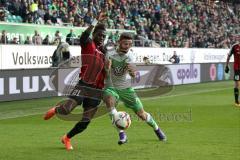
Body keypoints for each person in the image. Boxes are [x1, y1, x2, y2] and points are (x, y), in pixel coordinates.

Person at [43, 12, 108, 150]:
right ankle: (56, 109)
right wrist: (95, 20)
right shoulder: (88, 45)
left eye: (104, 36)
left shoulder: (104, 53)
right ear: (94, 34)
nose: (102, 38)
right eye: (100, 35)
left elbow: (106, 73)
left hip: (97, 91)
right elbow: (84, 36)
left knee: (85, 122)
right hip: (83, 85)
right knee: (66, 110)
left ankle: (66, 138)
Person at [103, 32, 167, 145]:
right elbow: (105, 70)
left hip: (125, 87)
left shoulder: (130, 56)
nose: (127, 46)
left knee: (141, 114)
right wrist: (107, 68)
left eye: (129, 44)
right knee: (109, 102)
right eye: (125, 43)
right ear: (119, 42)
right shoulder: (110, 53)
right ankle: (122, 135)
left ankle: (157, 129)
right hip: (111, 86)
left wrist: (133, 73)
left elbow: (133, 73)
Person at [225, 42, 240, 108]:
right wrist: (226, 66)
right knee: (236, 83)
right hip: (237, 68)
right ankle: (236, 101)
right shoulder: (234, 46)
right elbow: (229, 56)